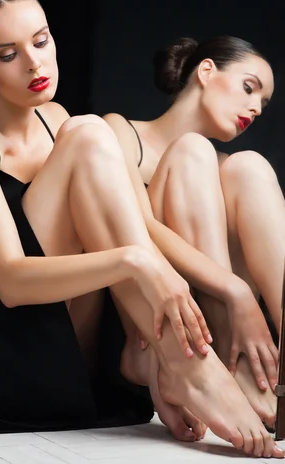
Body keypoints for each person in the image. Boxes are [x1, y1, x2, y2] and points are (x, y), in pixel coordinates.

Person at [0, 0, 283, 458]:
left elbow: (136, 227)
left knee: (87, 131)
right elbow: (9, 282)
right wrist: (133, 263)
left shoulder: (55, 117)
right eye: (6, 54)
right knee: (89, 133)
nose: (35, 64)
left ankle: (166, 362)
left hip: (63, 338)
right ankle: (189, 370)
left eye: (41, 41)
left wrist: (215, 295)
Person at [104, 35, 284, 441]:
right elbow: (133, 226)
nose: (255, 108)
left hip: (224, 324)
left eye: (263, 103)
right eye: (249, 88)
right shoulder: (121, 132)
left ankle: (256, 361)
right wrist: (236, 291)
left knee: (250, 167)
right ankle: (218, 366)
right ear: (206, 71)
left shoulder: (227, 170)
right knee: (192, 151)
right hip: (152, 323)